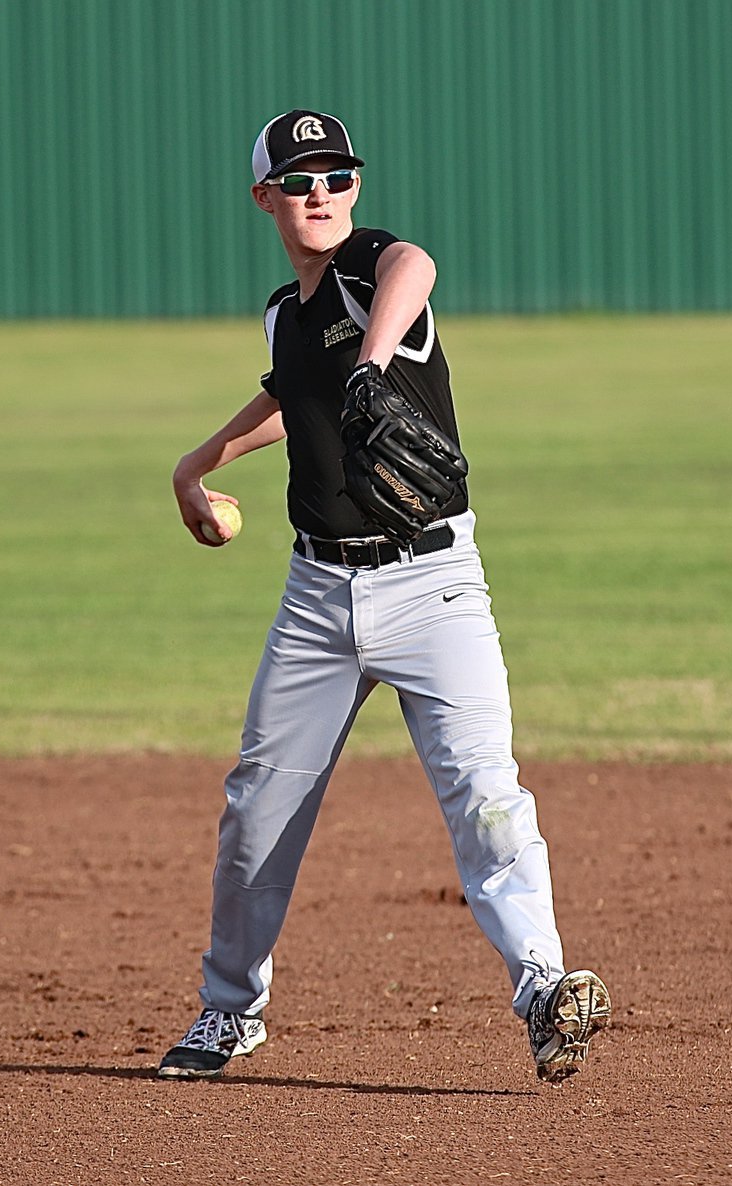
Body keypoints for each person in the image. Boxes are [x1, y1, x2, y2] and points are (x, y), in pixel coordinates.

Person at [159, 110, 610, 1084]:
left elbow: (420, 265)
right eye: (298, 177)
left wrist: (373, 363)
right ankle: (230, 1009)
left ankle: (544, 990)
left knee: (486, 796)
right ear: (265, 197)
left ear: (353, 189)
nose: (319, 191)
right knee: (256, 813)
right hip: (317, 595)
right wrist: (198, 462)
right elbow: (289, 390)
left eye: (334, 174)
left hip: (434, 582)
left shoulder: (374, 273)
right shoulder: (287, 312)